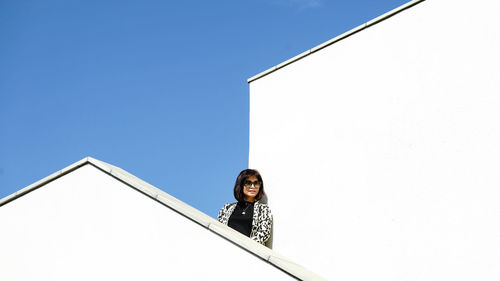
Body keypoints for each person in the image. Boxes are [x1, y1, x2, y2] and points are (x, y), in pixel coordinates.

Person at [217, 169, 273, 246]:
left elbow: (263, 234)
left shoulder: (263, 210)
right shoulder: (227, 208)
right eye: (248, 183)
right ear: (240, 185)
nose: (252, 186)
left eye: (256, 183)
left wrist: (244, 246)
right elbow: (218, 229)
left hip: (248, 252)